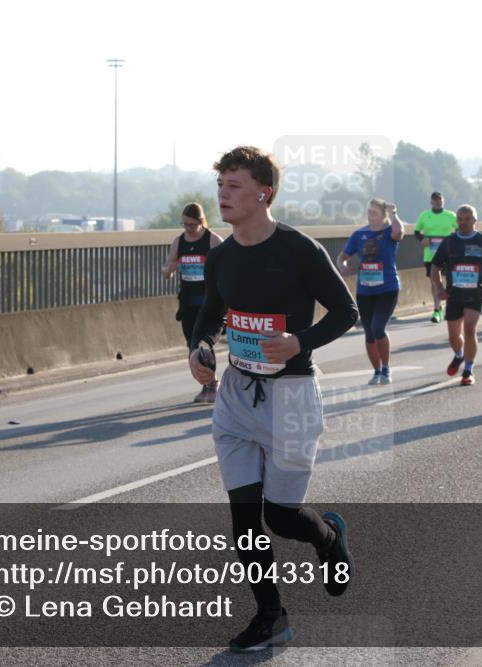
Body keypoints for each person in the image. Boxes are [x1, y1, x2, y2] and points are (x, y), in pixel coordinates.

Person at [187, 147, 357, 652]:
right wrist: (201, 347)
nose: (223, 194)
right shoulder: (220, 255)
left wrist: (299, 342)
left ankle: (328, 538)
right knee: (244, 519)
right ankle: (271, 615)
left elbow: (345, 310)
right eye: (220, 184)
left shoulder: (299, 250)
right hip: (238, 395)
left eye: (234, 186)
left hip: (293, 396)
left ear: (263, 193)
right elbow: (211, 313)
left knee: (282, 517)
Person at [429, 205, 482, 386]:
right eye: (461, 219)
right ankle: (459, 355)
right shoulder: (449, 242)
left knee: (470, 328)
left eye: (468, 219)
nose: (464, 222)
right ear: (456, 221)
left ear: (475, 221)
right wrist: (440, 288)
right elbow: (435, 268)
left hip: (475, 293)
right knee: (453, 336)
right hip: (454, 294)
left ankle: (468, 370)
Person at [337, 198, 404, 385]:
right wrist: (342, 266)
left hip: (387, 288)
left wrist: (393, 213)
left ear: (383, 216)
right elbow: (343, 255)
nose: (370, 216)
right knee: (369, 333)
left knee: (378, 328)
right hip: (365, 290)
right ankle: (376, 371)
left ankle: (386, 368)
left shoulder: (389, 231)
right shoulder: (359, 234)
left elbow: (400, 232)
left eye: (374, 213)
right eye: (368, 212)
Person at [162, 202, 224, 402]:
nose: (188, 228)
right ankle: (208, 384)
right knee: (192, 345)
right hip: (188, 300)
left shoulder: (213, 240)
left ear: (201, 222)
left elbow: (228, 267)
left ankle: (213, 383)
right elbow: (166, 272)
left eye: (192, 224)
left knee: (204, 341)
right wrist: (169, 269)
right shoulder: (178, 242)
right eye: (185, 224)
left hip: (209, 300)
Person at [413, 192, 457, 323]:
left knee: (450, 281)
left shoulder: (451, 215)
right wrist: (422, 239)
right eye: (435, 201)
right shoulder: (424, 215)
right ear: (431, 202)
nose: (438, 203)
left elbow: (460, 229)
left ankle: (450, 307)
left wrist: (452, 241)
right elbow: (416, 231)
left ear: (443, 201)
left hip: (448, 255)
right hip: (430, 255)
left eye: (440, 201)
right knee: (434, 282)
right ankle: (437, 309)